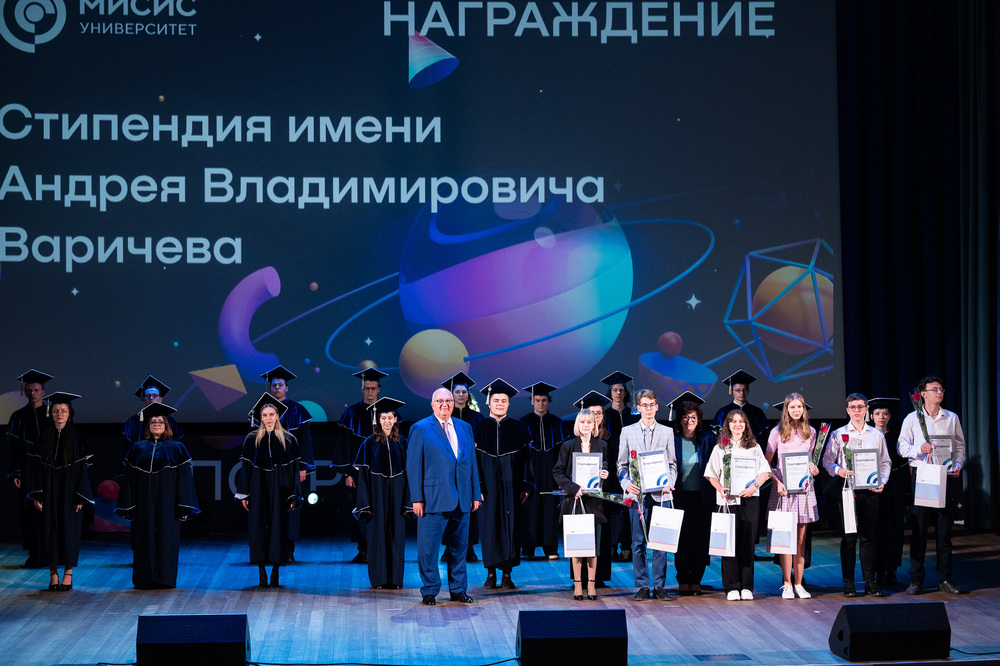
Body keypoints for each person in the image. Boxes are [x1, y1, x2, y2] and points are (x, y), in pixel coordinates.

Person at [406, 388, 482, 605]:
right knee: (428, 549)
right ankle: (429, 590)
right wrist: (417, 498)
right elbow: (413, 466)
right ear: (432, 405)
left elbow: (471, 463)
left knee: (459, 548)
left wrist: (475, 493)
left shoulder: (465, 427)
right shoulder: (420, 428)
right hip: (433, 499)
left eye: (448, 401)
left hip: (462, 498)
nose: (444, 405)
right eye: (439, 401)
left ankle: (458, 589)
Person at [116, 403, 200, 589]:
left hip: (168, 501)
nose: (156, 425)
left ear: (166, 425)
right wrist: (129, 503)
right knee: (143, 537)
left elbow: (185, 479)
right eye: (153, 422)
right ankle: (144, 579)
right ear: (148, 426)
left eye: (160, 422)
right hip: (143, 500)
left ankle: (165, 578)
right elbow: (129, 479)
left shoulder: (177, 448)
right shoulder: (137, 448)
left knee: (167, 537)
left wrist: (184, 505)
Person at [898, 376, 965, 595]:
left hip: (946, 476)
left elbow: (960, 447)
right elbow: (901, 447)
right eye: (934, 389)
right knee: (920, 530)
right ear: (923, 394)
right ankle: (916, 579)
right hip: (924, 476)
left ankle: (945, 578)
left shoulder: (951, 417)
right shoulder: (912, 418)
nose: (939, 392)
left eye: (941, 389)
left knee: (944, 531)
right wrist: (919, 448)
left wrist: (957, 464)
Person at [25, 392, 93, 591]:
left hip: (70, 493)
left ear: (70, 414)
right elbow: (35, 470)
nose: (59, 414)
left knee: (69, 532)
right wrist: (37, 494)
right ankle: (53, 574)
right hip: (48, 492)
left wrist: (80, 495)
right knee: (49, 533)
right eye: (56, 411)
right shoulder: (42, 438)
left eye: (63, 411)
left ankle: (68, 574)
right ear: (51, 414)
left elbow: (84, 471)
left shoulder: (78, 439)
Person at [825, 393, 892, 597]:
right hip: (847, 491)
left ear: (866, 410)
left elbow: (885, 462)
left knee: (869, 537)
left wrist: (882, 481)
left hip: (870, 491)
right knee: (849, 538)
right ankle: (849, 583)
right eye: (853, 407)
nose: (856, 410)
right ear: (847, 410)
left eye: (860, 407)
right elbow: (827, 461)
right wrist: (839, 470)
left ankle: (870, 582)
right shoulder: (838, 434)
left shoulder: (876, 434)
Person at [236, 394, 303, 588]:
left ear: (277, 416)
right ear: (260, 417)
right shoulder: (252, 440)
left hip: (280, 489)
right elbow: (246, 468)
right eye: (264, 415)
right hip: (258, 487)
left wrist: (293, 495)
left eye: (271, 414)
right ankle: (261, 572)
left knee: (278, 528)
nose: (268, 418)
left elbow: (293, 470)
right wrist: (244, 493)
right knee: (258, 528)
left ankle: (275, 571)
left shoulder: (288, 440)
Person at [617, 389, 677, 601]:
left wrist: (669, 483)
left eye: (652, 405)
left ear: (657, 407)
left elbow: (672, 464)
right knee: (637, 542)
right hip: (638, 496)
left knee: (660, 542)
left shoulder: (667, 432)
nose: (648, 409)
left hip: (661, 494)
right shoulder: (627, 432)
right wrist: (627, 484)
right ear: (638, 408)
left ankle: (659, 586)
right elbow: (621, 465)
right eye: (644, 405)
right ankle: (642, 585)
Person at [473, 379, 533, 590]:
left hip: (512, 486)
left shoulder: (518, 428)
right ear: (489, 403)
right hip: (487, 487)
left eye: (504, 401)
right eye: (496, 400)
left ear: (509, 404)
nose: (500, 404)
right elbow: (473, 462)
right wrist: (478, 486)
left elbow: (526, 461)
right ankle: (490, 573)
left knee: (510, 527)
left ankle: (507, 574)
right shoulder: (478, 429)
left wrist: (526, 486)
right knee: (489, 527)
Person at [705, 409, 770, 600]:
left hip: (750, 499)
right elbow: (711, 474)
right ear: (727, 425)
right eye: (733, 421)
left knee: (747, 543)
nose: (737, 424)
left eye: (741, 421)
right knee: (729, 543)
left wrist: (754, 486)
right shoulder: (720, 448)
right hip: (727, 500)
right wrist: (720, 488)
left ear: (745, 425)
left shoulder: (754, 447)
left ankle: (747, 586)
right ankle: (732, 586)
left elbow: (765, 472)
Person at [257, 365, 314, 563]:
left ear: (287, 388)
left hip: (291, 468)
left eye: (280, 385)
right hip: (266, 468)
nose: (277, 388)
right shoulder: (261, 412)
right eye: (274, 385)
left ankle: (288, 550)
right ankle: (269, 549)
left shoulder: (298, 411)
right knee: (268, 508)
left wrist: (303, 467)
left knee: (290, 507)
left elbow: (305, 442)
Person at [353, 397, 410, 590]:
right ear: (378, 420)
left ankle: (395, 579)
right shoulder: (368, 444)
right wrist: (365, 503)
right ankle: (379, 579)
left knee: (396, 536)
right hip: (376, 494)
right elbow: (363, 479)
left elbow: (410, 475)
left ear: (395, 419)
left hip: (397, 494)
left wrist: (408, 501)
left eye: (390, 418)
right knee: (377, 535)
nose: (386, 421)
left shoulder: (403, 443)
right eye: (383, 418)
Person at [552, 409, 609, 600]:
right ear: (578, 424)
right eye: (582, 422)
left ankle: (591, 585)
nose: (586, 425)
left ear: (594, 425)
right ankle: (578, 585)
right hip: (575, 500)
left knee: (593, 546)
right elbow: (558, 472)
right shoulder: (568, 446)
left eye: (589, 422)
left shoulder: (602, 445)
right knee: (577, 545)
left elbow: (605, 469)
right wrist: (573, 488)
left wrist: (605, 475)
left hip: (594, 501)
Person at [766, 394, 819, 599]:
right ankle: (787, 583)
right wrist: (777, 482)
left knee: (800, 539)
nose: (796, 410)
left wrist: (813, 469)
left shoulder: (811, 432)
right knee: (784, 537)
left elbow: (810, 461)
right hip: (783, 490)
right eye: (792, 407)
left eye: (799, 407)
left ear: (803, 409)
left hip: (803, 490)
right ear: (786, 409)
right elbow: (766, 464)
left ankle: (799, 584)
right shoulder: (777, 432)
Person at [336, 367, 388, 564]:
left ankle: (380, 547)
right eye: (366, 388)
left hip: (384, 471)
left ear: (379, 389)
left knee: (383, 508)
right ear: (362, 389)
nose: (370, 391)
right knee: (361, 508)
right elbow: (344, 446)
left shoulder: (387, 413)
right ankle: (363, 549)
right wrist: (347, 473)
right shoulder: (351, 413)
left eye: (373, 388)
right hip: (359, 473)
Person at [667, 392, 716, 596]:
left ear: (699, 419)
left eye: (693, 417)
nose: (690, 421)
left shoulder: (708, 439)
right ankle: (683, 579)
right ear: (679, 419)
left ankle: (696, 579)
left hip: (702, 497)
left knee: (700, 539)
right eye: (686, 417)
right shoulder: (672, 439)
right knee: (682, 539)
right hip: (679, 497)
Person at [6, 369, 52, 568]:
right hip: (27, 471)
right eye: (29, 390)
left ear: (43, 392)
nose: (32, 393)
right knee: (30, 512)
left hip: (49, 470)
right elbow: (14, 449)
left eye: (36, 390)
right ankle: (34, 553)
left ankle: (52, 552)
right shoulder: (18, 416)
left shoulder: (52, 414)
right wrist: (16, 472)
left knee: (49, 511)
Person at [519, 381, 566, 560]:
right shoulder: (523, 423)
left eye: (544, 400)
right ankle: (528, 547)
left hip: (551, 470)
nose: (540, 403)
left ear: (548, 401)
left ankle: (550, 547)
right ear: (532, 401)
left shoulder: (557, 423)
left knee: (550, 508)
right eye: (537, 400)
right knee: (529, 506)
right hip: (530, 470)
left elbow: (563, 453)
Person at [442, 372, 483, 562]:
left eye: (463, 392)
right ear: (451, 394)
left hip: (468, 471)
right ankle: (448, 547)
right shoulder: (443, 417)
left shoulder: (477, 418)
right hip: (448, 471)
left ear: (468, 395)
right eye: (457, 392)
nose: (460, 395)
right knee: (448, 508)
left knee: (469, 510)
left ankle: (469, 547)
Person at [576, 390, 615, 586]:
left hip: (601, 496)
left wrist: (605, 478)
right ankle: (580, 577)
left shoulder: (608, 440)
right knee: (580, 534)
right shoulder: (575, 442)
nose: (595, 417)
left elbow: (614, 466)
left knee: (601, 536)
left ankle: (598, 577)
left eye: (598, 413)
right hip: (581, 495)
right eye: (591, 413)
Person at [869, 397, 907, 585]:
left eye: (885, 414)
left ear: (890, 416)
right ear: (871, 416)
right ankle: (877, 570)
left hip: (894, 486)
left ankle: (891, 569)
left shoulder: (897, 437)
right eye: (877, 414)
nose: (881, 417)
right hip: (873, 485)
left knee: (893, 528)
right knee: (876, 528)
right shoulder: (868, 436)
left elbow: (903, 463)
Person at [601, 371, 637, 563]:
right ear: (610, 392)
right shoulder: (605, 416)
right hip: (611, 466)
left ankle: (627, 546)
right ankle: (612, 545)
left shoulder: (634, 415)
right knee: (612, 505)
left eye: (621, 389)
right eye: (615, 389)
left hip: (630, 467)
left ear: (625, 393)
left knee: (628, 506)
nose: (618, 392)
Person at [121, 376, 185, 453]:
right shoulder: (133, 421)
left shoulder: (169, 421)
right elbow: (128, 448)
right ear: (144, 399)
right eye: (148, 396)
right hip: (141, 457)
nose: (151, 398)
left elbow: (176, 446)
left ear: (160, 399)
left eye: (155, 396)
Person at [710, 370, 769, 442]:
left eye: (744, 390)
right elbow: (718, 437)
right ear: (732, 391)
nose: (741, 393)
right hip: (729, 447)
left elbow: (763, 437)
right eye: (738, 390)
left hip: (751, 447)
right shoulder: (723, 412)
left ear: (748, 391)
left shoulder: (757, 412)